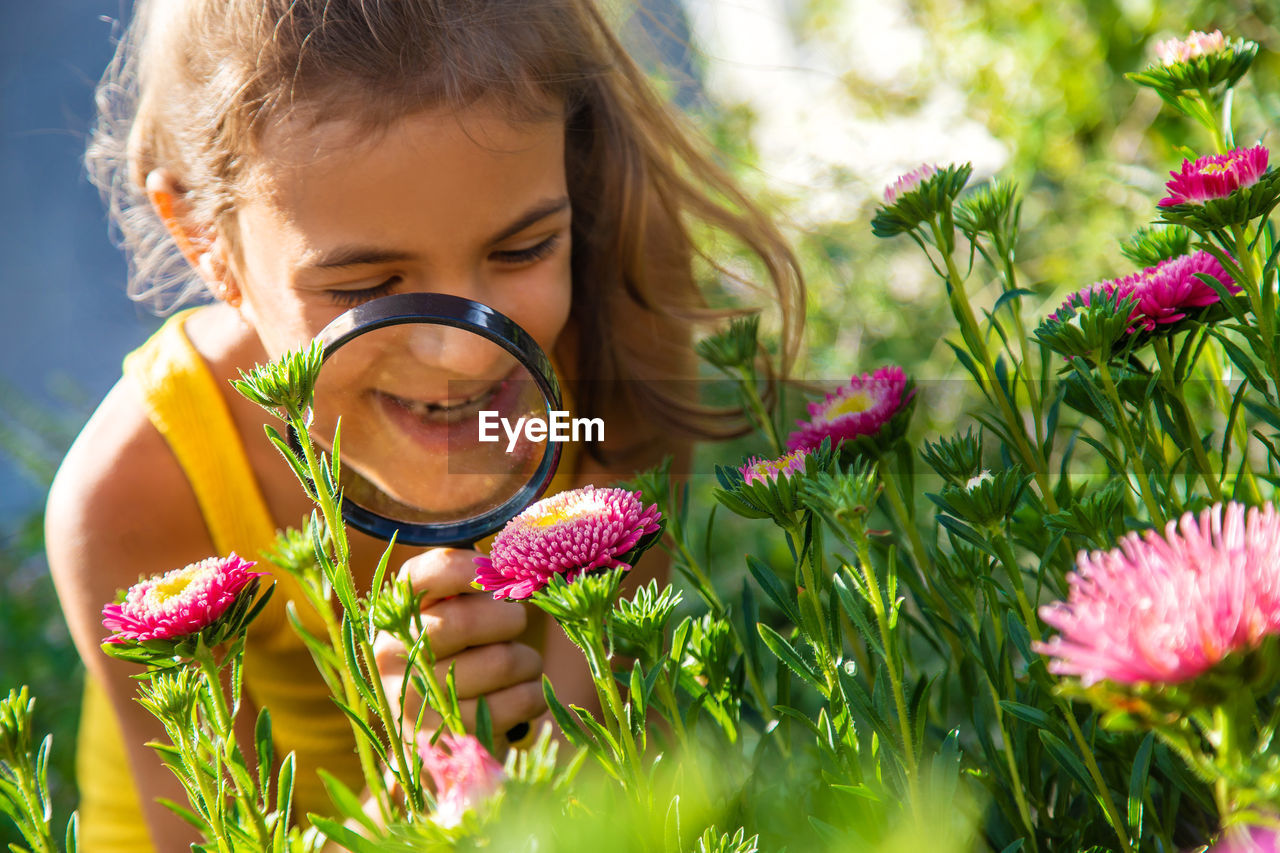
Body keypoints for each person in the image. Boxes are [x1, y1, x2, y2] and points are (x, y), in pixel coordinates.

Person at [44, 0, 804, 850]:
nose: (466, 354)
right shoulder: (139, 490)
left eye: (522, 251)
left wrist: (519, 763)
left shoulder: (609, 358)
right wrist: (423, 790)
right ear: (203, 239)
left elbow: (619, 775)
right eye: (367, 285)